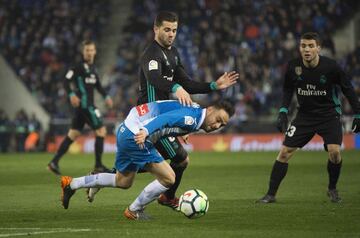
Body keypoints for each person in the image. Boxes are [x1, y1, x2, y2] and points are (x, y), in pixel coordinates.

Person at [60, 100, 235, 220]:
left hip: (126, 129)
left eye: (222, 125)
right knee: (169, 178)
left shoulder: (195, 110)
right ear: (211, 110)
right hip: (137, 134)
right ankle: (134, 210)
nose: (216, 126)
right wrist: (145, 131)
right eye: (218, 120)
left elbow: (172, 115)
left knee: (123, 181)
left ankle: (72, 184)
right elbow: (165, 119)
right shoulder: (192, 118)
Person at [136, 11, 238, 209]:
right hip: (149, 116)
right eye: (167, 29)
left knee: (176, 161)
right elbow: (155, 79)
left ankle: (164, 196)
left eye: (174, 30)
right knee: (178, 160)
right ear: (156, 29)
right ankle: (117, 177)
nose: (171, 34)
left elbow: (187, 83)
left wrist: (213, 86)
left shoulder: (173, 53)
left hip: (163, 115)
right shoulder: (151, 54)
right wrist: (175, 87)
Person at [257, 32, 360, 204]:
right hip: (304, 116)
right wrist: (283, 111)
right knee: (284, 153)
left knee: (334, 152)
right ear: (299, 48)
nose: (307, 49)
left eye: (311, 46)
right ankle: (270, 194)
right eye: (303, 46)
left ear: (318, 48)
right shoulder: (293, 67)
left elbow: (348, 89)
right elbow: (288, 90)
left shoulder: (331, 67)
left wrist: (358, 113)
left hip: (329, 115)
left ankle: (332, 188)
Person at [47, 40, 113, 175]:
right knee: (101, 131)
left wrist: (106, 96)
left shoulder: (93, 69)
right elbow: (65, 80)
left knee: (73, 134)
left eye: (91, 50)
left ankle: (54, 162)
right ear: (83, 52)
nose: (89, 53)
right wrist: (71, 94)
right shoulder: (77, 67)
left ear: (95, 51)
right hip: (85, 106)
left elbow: (98, 86)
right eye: (87, 50)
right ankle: (99, 165)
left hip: (84, 108)